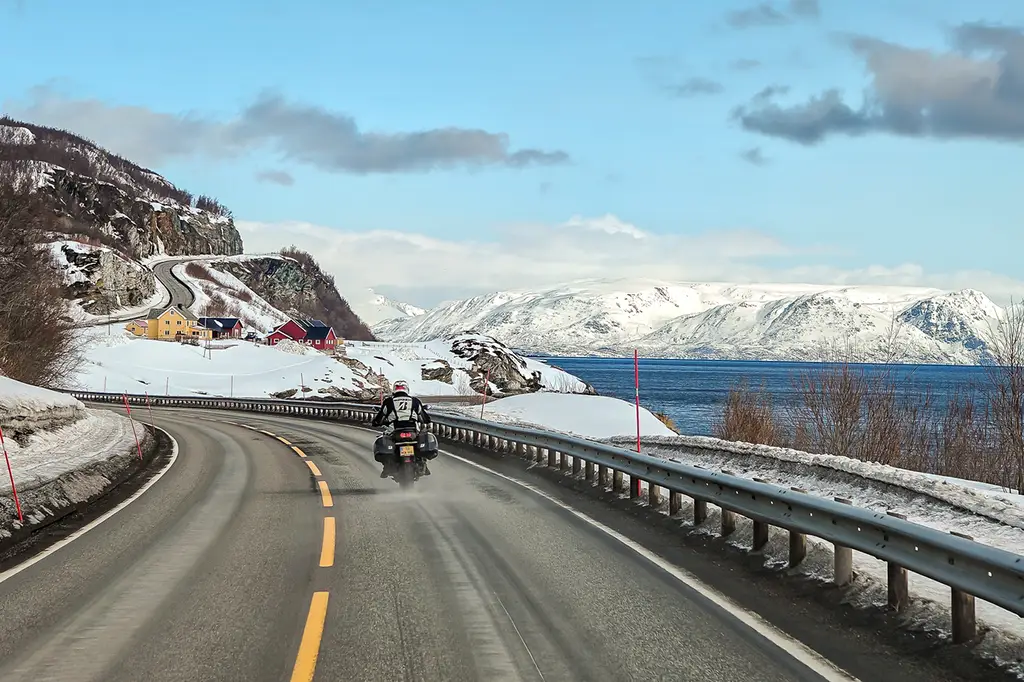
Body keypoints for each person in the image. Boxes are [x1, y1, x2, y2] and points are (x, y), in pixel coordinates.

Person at [372, 380, 433, 478]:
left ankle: (387, 467)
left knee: (385, 441)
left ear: (394, 390)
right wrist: (423, 421)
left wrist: (376, 422)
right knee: (419, 441)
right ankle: (423, 463)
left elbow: (380, 417)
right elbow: (424, 417)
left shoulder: (389, 401)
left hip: (394, 431)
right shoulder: (415, 401)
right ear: (407, 389)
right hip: (412, 431)